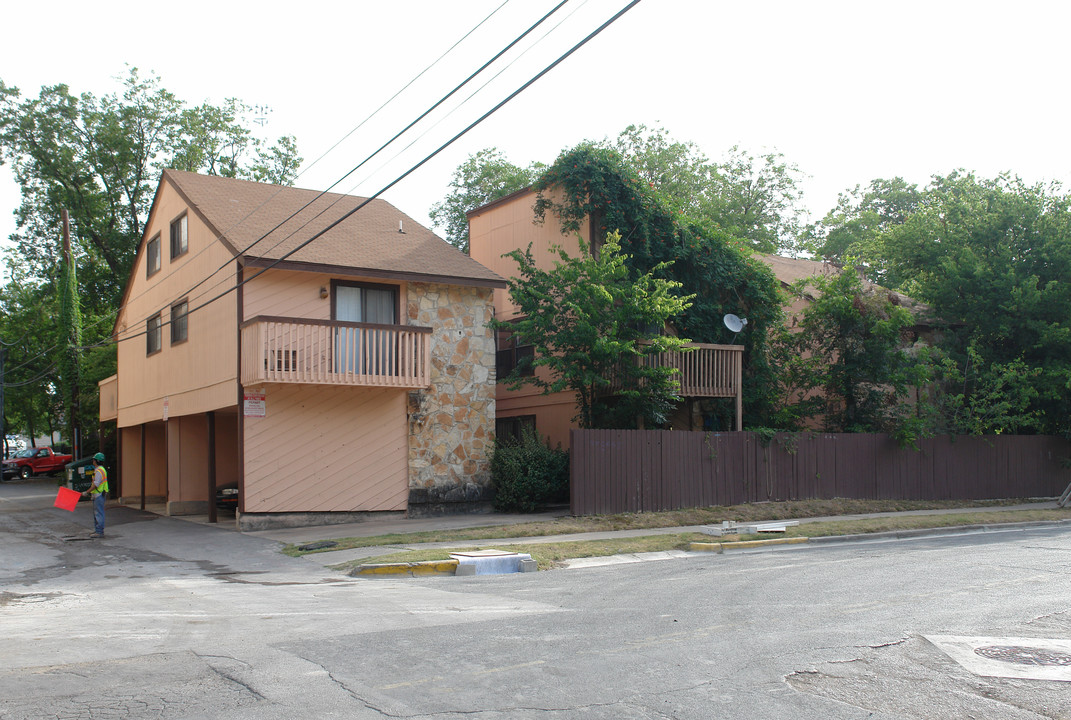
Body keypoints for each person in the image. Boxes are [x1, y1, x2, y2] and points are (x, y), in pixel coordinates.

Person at [82, 452, 108, 539]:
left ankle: (99, 531)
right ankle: (97, 530)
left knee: (98, 513)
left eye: (94, 460)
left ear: (96, 461)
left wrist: (87, 492)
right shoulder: (101, 470)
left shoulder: (99, 471)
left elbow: (95, 485)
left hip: (99, 494)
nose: (92, 461)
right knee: (98, 513)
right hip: (99, 493)